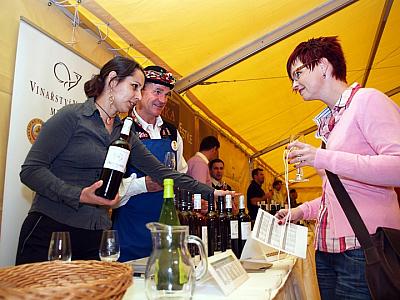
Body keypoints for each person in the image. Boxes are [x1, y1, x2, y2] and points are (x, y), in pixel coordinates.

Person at [15, 56, 223, 265]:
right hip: (52, 233)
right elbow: (31, 171)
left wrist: (213, 193)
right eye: (134, 87)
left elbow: (163, 172)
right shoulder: (72, 117)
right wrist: (79, 195)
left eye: (141, 89)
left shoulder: (122, 132)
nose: (138, 96)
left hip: (95, 236)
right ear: (113, 81)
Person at [275, 36, 400, 299]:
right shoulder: (332, 124)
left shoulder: (368, 101)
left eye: (298, 73)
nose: (294, 85)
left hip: (364, 247)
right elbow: (339, 191)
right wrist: (300, 211)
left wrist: (322, 158)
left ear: (324, 65)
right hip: (329, 251)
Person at [112, 65, 188, 261]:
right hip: (129, 233)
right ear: (140, 91)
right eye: (157, 92)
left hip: (165, 232)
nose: (162, 100)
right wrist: (142, 185)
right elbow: (107, 190)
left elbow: (181, 174)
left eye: (167, 94)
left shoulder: (172, 132)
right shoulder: (122, 130)